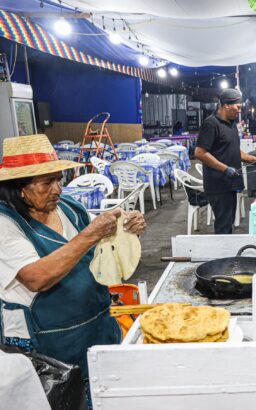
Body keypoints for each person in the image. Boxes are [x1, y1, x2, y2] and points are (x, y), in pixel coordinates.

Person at [0, 135, 147, 382]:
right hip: (49, 344)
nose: (57, 189)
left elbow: (103, 238)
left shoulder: (67, 207)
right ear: (19, 187)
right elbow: (37, 278)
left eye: (58, 180)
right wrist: (92, 233)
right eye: (46, 183)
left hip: (97, 326)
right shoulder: (6, 224)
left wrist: (129, 225)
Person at [195, 89, 256, 234]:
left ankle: (227, 253)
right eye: (237, 107)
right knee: (223, 225)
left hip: (230, 183)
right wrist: (225, 169)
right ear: (226, 105)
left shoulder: (231, 124)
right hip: (218, 184)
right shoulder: (211, 124)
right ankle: (223, 254)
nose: (239, 111)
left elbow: (232, 150)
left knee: (228, 222)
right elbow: (200, 152)